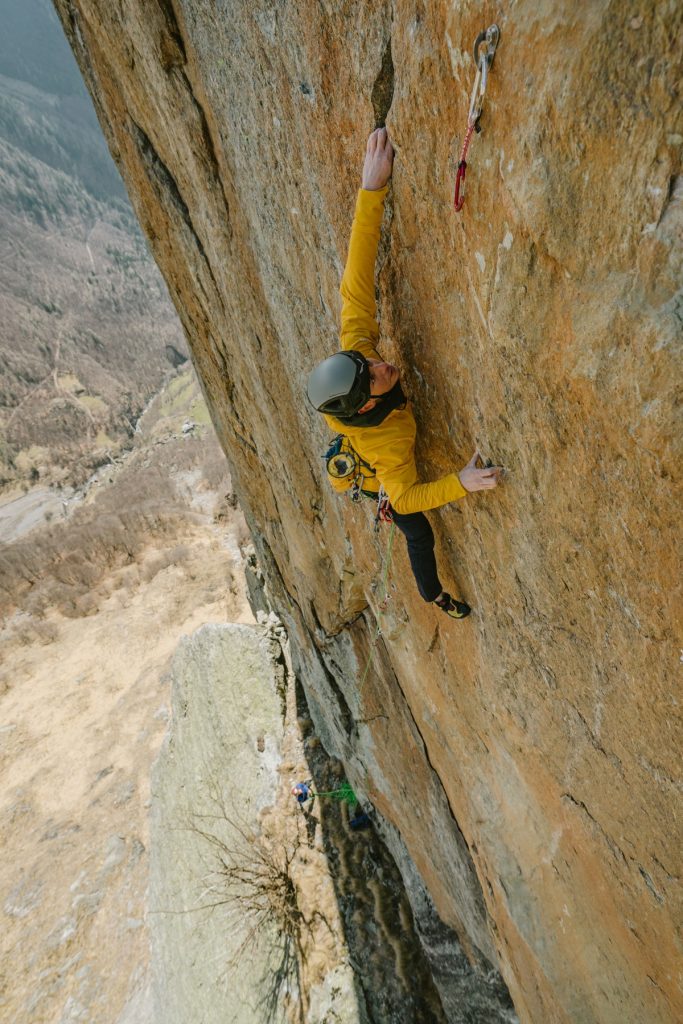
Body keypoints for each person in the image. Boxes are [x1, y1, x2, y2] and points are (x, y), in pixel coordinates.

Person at [307, 127, 502, 619]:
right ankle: (433, 596)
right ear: (368, 404)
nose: (380, 364)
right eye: (373, 376)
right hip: (381, 481)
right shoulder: (389, 450)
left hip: (367, 453)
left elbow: (356, 275)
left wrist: (371, 188)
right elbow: (409, 495)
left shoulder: (357, 359)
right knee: (416, 529)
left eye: (367, 363)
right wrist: (461, 481)